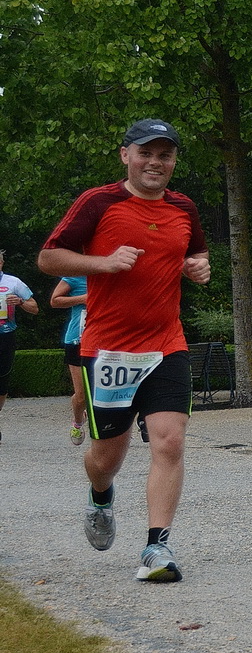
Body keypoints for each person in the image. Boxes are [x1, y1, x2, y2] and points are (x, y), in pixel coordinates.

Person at [38, 119, 211, 582]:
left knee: (170, 440)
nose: (155, 162)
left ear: (174, 161)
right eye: (145, 153)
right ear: (125, 155)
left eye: (165, 155)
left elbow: (196, 253)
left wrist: (198, 267)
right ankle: (100, 495)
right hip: (110, 351)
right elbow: (48, 258)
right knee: (107, 458)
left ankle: (157, 547)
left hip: (166, 344)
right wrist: (103, 263)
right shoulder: (98, 202)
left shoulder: (184, 207)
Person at [0, 247, 42, 445]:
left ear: (1, 263)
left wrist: (20, 302)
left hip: (5, 336)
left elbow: (35, 308)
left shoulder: (13, 282)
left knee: (2, 383)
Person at [52, 274, 90, 445]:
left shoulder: (110, 275)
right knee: (81, 395)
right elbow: (55, 300)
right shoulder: (76, 277)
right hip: (77, 340)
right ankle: (78, 422)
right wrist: (83, 298)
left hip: (105, 341)